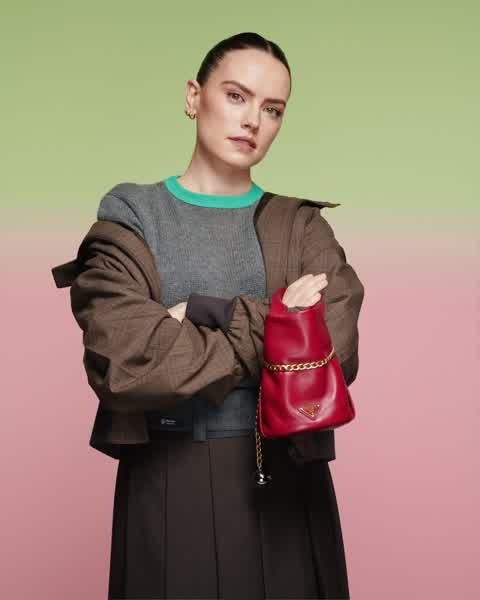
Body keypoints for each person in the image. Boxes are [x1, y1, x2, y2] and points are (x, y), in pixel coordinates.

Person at [62, 31, 364, 600]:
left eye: (272, 109)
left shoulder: (301, 226)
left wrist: (202, 313)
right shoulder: (133, 215)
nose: (252, 120)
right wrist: (282, 326)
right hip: (166, 483)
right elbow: (127, 361)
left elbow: (335, 350)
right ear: (193, 96)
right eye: (236, 96)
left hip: (289, 486)